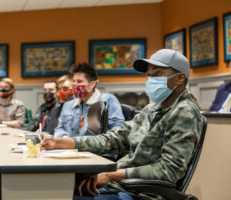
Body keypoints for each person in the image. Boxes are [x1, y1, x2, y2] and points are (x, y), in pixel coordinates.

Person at [42, 49, 202, 200]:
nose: (151, 79)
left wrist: (112, 175)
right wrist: (66, 142)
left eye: (158, 73)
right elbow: (116, 138)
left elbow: (169, 170)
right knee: (54, 190)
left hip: (139, 194)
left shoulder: (184, 112)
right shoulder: (152, 108)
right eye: (149, 75)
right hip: (119, 185)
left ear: (180, 78)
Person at [54, 63, 124, 138]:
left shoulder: (108, 100)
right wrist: (64, 137)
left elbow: (117, 130)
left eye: (79, 81)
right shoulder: (68, 105)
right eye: (73, 81)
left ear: (92, 84)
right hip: (69, 148)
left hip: (95, 148)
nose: (75, 85)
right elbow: (59, 128)